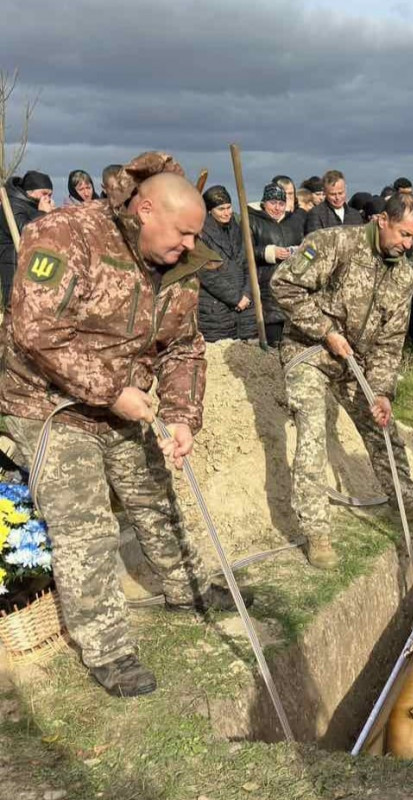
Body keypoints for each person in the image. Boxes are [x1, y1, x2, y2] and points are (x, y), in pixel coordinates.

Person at [0, 153, 242, 698]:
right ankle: (109, 649)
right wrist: (112, 391)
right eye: (181, 234)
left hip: (123, 403)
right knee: (85, 525)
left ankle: (187, 588)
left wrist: (182, 417)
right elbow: (34, 330)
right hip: (48, 404)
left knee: (155, 494)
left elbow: (183, 346)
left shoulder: (179, 266)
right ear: (147, 209)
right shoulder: (67, 234)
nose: (187, 247)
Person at [271, 193, 413, 569]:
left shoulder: (403, 273)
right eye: (403, 234)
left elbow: (390, 340)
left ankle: (406, 502)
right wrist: (325, 331)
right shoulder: (333, 243)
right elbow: (283, 285)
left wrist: (381, 392)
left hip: (355, 362)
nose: (407, 244)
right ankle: (317, 532)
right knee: (313, 434)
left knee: (382, 428)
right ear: (382, 220)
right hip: (310, 354)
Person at [248, 182, 304, 345]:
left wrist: (298, 253)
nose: (277, 208)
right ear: (264, 203)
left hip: (293, 288)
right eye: (273, 203)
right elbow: (246, 251)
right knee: (272, 341)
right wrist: (269, 252)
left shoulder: (295, 222)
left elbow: (309, 248)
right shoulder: (252, 221)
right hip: (267, 289)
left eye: (281, 203)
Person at [198, 185, 252, 342]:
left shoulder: (236, 228)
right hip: (216, 309)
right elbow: (206, 273)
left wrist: (247, 293)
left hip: (245, 307)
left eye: (229, 207)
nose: (227, 212)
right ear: (210, 210)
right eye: (221, 209)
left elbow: (247, 264)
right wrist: (235, 298)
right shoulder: (201, 234)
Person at [1, 170, 55, 307]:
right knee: (15, 308)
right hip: (14, 264)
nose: (47, 198)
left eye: (50, 195)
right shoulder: (13, 205)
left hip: (35, 267)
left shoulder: (35, 206)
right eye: (44, 194)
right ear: (30, 192)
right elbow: (24, 232)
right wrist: (43, 214)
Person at [305, 170, 363, 234]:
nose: (337, 198)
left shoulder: (355, 215)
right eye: (333, 194)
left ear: (345, 189)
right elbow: (314, 241)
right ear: (325, 192)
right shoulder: (316, 214)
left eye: (340, 193)